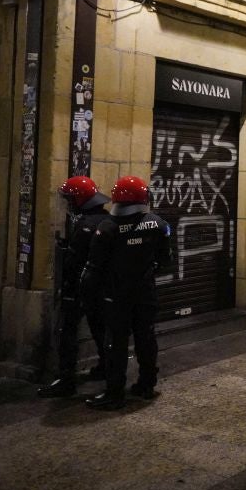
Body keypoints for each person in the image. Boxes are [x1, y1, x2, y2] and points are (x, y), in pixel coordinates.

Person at [81, 176, 172, 410]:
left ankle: (114, 393)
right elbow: (165, 260)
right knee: (146, 338)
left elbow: (94, 267)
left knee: (116, 343)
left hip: (116, 295)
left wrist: (87, 294)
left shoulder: (107, 228)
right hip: (145, 292)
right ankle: (147, 384)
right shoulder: (158, 224)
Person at [38, 176, 110, 398]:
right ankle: (107, 368)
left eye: (70, 199)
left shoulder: (86, 225)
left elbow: (74, 261)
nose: (68, 204)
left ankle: (66, 379)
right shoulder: (107, 219)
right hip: (103, 287)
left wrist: (67, 287)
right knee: (100, 329)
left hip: (81, 287)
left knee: (67, 331)